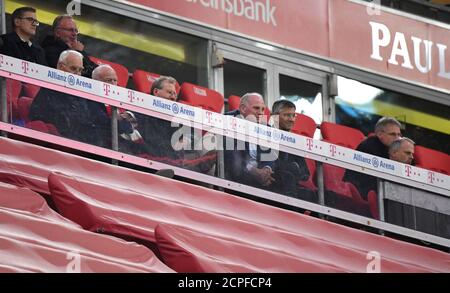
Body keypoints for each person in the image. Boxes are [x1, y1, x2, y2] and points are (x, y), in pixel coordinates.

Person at [29, 50, 117, 147]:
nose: (77, 74)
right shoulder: (48, 90)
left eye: (80, 70)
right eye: (73, 69)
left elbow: (98, 121)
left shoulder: (85, 95)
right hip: (66, 144)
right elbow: (39, 116)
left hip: (92, 144)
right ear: (61, 67)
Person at [224, 93, 276, 189]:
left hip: (260, 176)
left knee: (286, 175)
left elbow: (271, 154)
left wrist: (266, 169)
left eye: (263, 109)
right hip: (237, 174)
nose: (261, 113)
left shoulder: (266, 128)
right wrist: (253, 170)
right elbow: (230, 156)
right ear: (243, 108)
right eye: (256, 108)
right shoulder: (228, 121)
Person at [343, 116, 402, 199]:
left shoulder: (392, 151)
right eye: (393, 134)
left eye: (399, 135)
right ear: (380, 134)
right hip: (363, 196)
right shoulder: (370, 146)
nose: (397, 139)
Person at [270, 99, 315, 201]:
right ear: (274, 117)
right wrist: (293, 167)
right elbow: (271, 167)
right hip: (272, 188)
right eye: (287, 115)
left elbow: (305, 174)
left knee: (325, 196)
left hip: (292, 188)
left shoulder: (295, 141)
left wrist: (292, 168)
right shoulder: (265, 135)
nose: (291, 119)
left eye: (293, 115)